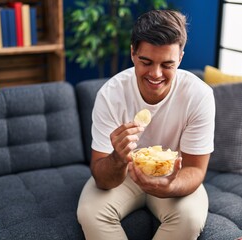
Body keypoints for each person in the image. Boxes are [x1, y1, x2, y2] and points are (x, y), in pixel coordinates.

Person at [77, 9, 215, 240]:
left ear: (180, 58)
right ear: (133, 53)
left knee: (190, 218)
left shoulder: (198, 95)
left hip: (173, 175)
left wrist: (170, 187)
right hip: (124, 177)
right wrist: (117, 158)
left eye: (168, 64)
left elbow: (195, 169)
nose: (156, 74)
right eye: (146, 62)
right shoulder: (110, 95)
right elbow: (102, 177)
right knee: (90, 213)